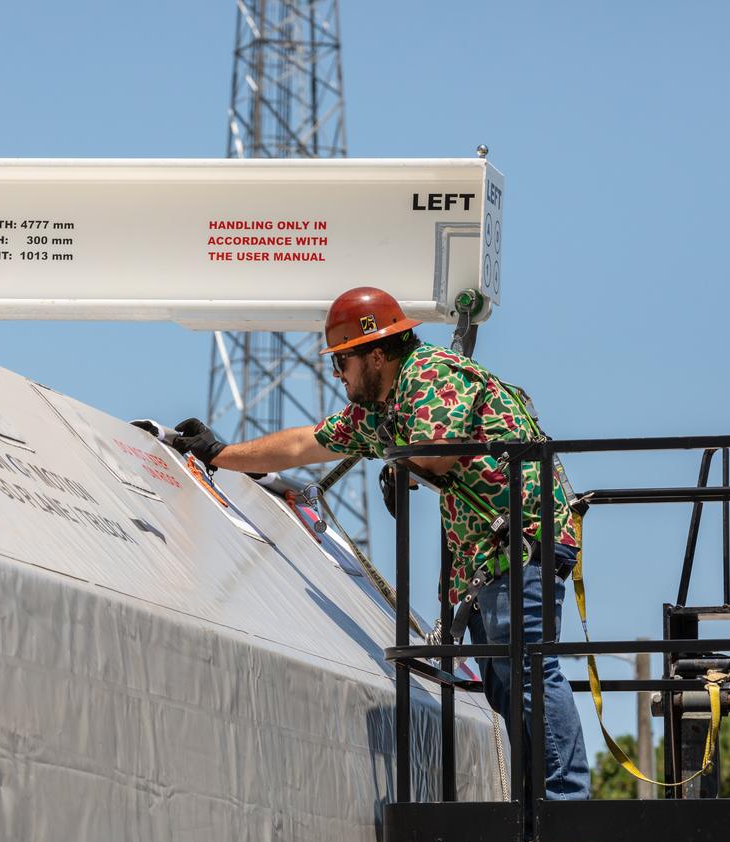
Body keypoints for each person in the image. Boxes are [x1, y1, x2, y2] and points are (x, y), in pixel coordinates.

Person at [171, 285, 589, 801]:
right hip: (485, 553)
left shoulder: (430, 374)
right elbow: (304, 443)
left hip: (523, 540)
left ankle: (565, 801)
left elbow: (435, 452)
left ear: (374, 354)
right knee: (503, 679)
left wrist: (403, 464)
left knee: (526, 666)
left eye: (342, 361)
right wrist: (219, 453)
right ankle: (535, 804)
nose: (336, 374)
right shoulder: (380, 410)